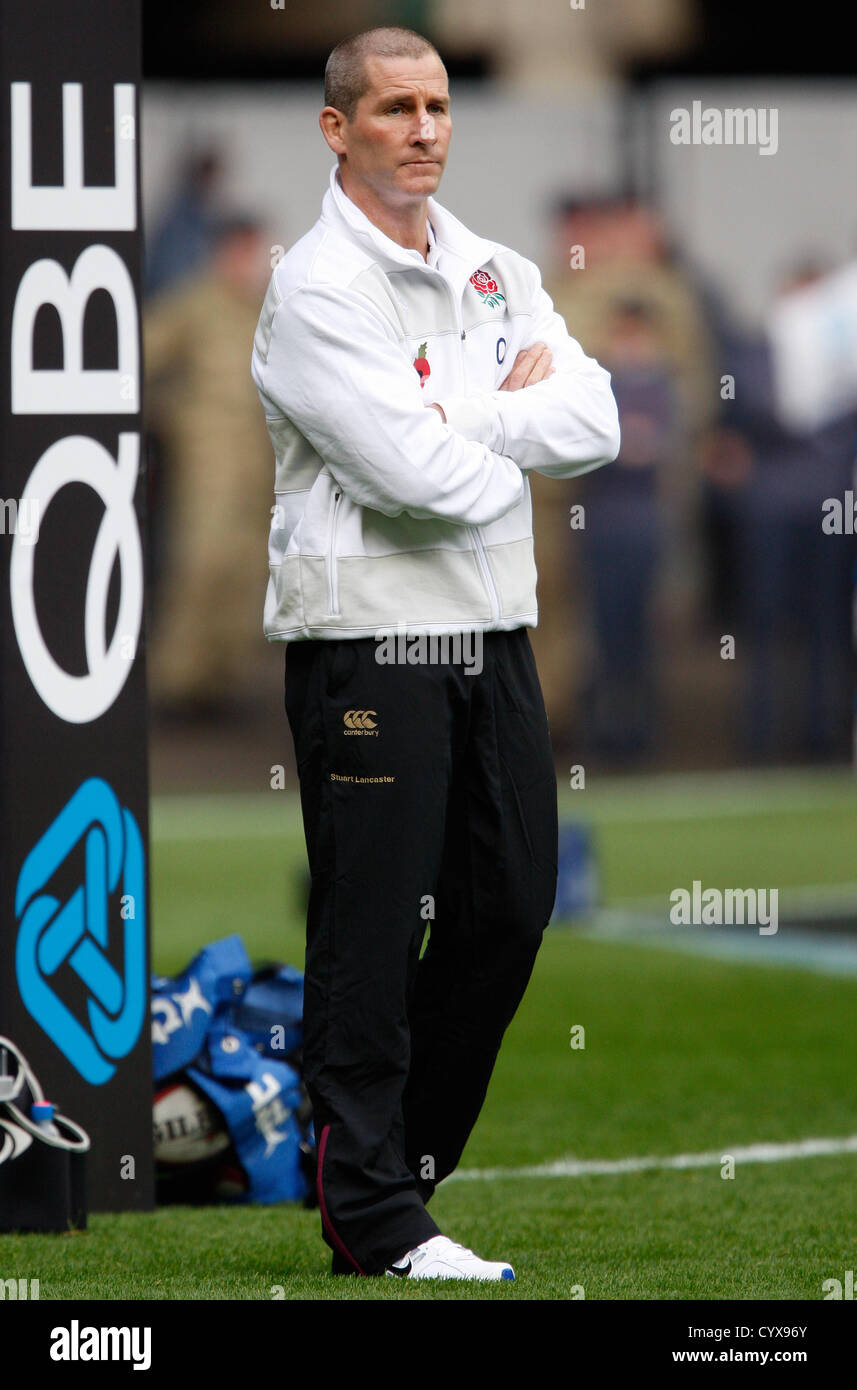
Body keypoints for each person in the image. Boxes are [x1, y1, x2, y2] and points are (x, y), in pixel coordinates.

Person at [250, 26, 619, 1281]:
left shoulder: (496, 269)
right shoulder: (312, 288)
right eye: (395, 107)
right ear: (336, 127)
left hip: (491, 632)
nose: (423, 128)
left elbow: (599, 417)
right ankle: (376, 1213)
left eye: (438, 105)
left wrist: (457, 415)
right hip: (366, 642)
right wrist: (502, 423)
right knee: (368, 928)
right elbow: (412, 479)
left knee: (510, 905)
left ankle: (389, 1171)